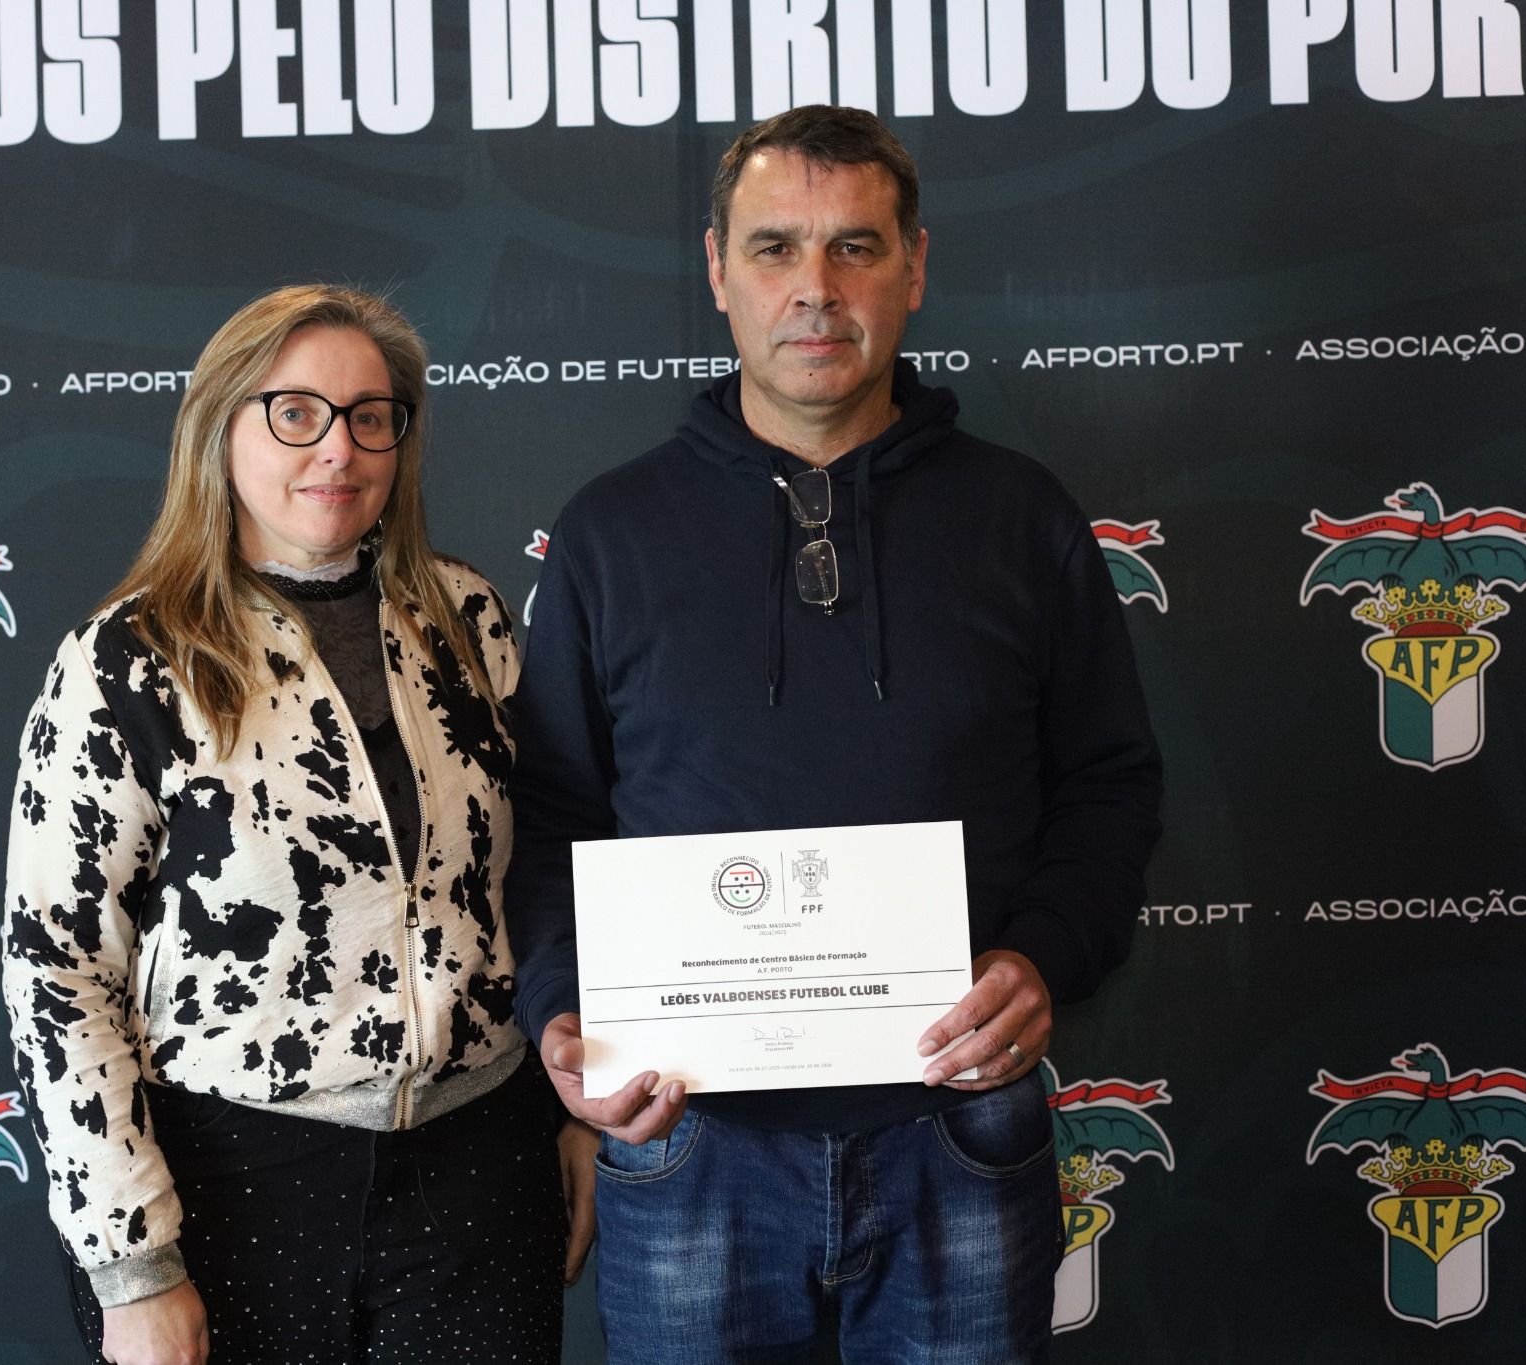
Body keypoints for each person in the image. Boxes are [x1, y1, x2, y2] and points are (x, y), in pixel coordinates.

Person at [505, 106, 1162, 1364]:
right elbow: (549, 819)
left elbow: (1108, 782)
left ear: (913, 267)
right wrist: (561, 1016)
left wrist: (1042, 956)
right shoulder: (610, 532)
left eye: (855, 246)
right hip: (685, 1139)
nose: (814, 287)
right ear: (717, 270)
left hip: (957, 1128)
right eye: (775, 248)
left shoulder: (1020, 517)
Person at [3, 284, 594, 1365]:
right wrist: (132, 1265)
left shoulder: (465, 618)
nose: (338, 448)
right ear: (218, 426)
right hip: (232, 1179)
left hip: (479, 1166)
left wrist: (575, 1110)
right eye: (295, 413)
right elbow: (58, 971)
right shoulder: (126, 662)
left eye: (370, 416)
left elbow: (545, 873)